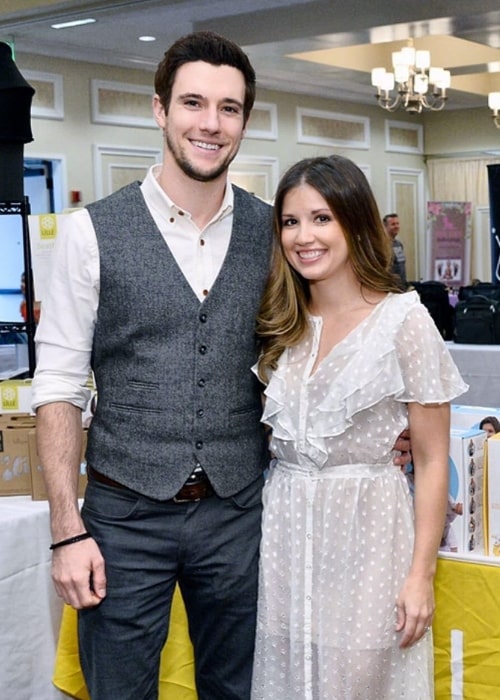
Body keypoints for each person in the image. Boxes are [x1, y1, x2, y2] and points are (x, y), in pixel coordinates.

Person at [31, 33, 412, 700]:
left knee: (242, 690)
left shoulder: (278, 235)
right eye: (194, 103)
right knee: (118, 689)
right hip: (123, 514)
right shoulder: (92, 233)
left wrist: (388, 430)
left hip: (243, 511)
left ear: (244, 120)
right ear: (160, 110)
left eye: (229, 108)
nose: (210, 123)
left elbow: (332, 340)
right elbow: (59, 389)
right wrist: (67, 530)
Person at [251, 155, 467, 699]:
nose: (305, 236)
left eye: (322, 218)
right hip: (284, 542)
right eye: (291, 221)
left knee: (362, 683)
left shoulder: (403, 320)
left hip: (369, 541)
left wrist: (421, 576)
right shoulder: (280, 322)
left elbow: (435, 457)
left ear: (355, 221)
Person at [383, 212, 407, 287]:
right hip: (390, 287)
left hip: (401, 286)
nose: (396, 226)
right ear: (385, 226)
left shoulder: (398, 244)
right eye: (393, 224)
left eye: (397, 223)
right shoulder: (382, 245)